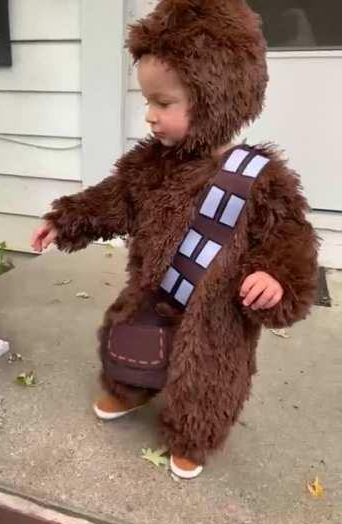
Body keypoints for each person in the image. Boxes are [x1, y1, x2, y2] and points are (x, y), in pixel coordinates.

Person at [31, 0, 318, 479]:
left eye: (163, 103)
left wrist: (275, 276)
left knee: (208, 377)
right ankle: (130, 390)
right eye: (146, 101)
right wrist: (67, 220)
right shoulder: (149, 163)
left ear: (217, 97)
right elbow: (115, 198)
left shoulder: (261, 178)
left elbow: (289, 238)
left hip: (218, 307)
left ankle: (193, 435)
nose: (149, 115)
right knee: (132, 341)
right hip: (156, 287)